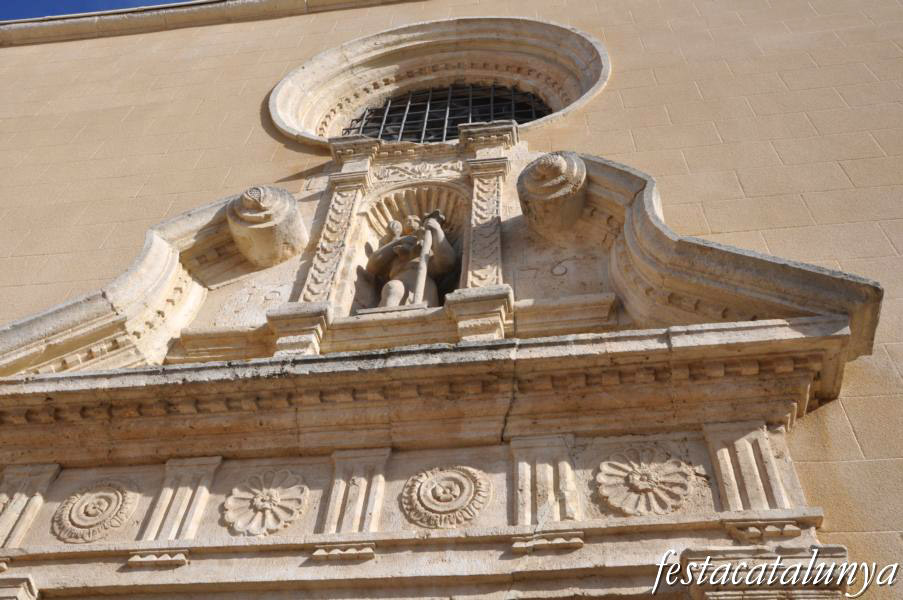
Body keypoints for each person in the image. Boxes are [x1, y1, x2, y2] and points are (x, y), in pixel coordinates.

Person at [365, 211, 456, 308]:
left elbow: (448, 263)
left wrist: (437, 230)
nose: (409, 222)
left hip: (423, 284)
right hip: (398, 278)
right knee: (392, 289)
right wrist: (397, 240)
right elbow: (372, 267)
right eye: (407, 221)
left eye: (414, 220)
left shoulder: (429, 240)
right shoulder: (397, 242)